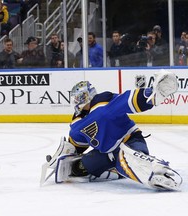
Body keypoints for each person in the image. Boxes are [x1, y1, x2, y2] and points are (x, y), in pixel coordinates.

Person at [41, 69, 182, 191]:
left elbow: (128, 100)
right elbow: (75, 145)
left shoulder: (103, 101)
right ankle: (118, 170)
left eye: (79, 97)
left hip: (130, 141)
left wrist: (151, 94)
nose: (77, 101)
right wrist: (57, 159)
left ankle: (155, 170)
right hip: (107, 154)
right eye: (76, 98)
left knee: (126, 159)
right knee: (80, 167)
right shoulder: (77, 123)